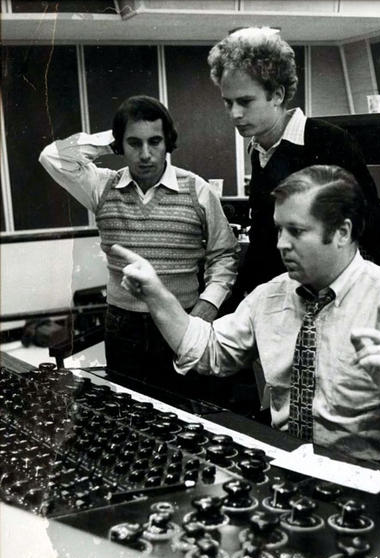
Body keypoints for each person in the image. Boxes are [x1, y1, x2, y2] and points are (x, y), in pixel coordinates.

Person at [110, 165, 380, 462]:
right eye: (280, 229)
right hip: (290, 466)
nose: (281, 243)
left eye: (296, 231)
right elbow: (206, 352)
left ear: (342, 232)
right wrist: (157, 295)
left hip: (373, 480)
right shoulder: (271, 295)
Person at [207, 26, 380, 318]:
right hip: (282, 304)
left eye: (245, 101)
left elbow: (374, 224)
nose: (234, 114)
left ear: (277, 94)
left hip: (330, 304)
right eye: (228, 103)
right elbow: (264, 243)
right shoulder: (258, 150)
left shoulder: (328, 141)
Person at [39, 95, 239, 394]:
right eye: (134, 143)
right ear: (121, 145)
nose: (145, 154)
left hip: (183, 317)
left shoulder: (197, 189)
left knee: (187, 413)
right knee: (128, 409)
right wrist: (113, 137)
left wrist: (207, 306)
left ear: (167, 142)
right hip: (123, 326)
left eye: (155, 141)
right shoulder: (102, 186)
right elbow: (52, 156)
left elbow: (224, 255)